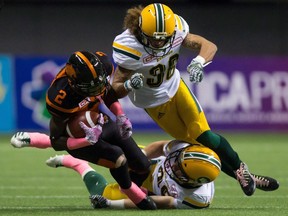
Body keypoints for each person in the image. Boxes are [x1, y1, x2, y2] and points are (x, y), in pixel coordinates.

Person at [111, 3, 279, 196]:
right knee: (198, 145)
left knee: (202, 134)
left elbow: (208, 46)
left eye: (164, 38)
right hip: (154, 103)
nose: (159, 44)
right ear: (140, 30)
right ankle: (243, 173)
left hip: (177, 87)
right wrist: (129, 85)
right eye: (154, 40)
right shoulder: (129, 46)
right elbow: (114, 90)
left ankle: (240, 170)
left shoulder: (176, 29)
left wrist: (199, 62)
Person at [10, 51, 156, 210]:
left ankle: (124, 188)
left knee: (142, 165)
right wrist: (86, 140)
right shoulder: (59, 97)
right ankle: (132, 193)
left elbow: (107, 92)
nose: (96, 90)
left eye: (98, 84)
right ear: (74, 83)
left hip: (98, 120)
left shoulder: (103, 65)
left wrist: (120, 115)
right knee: (118, 159)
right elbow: (57, 141)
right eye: (90, 88)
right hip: (76, 135)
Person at [46, 140, 221, 209]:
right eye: (176, 159)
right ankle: (56, 142)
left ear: (191, 180)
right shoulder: (185, 149)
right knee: (110, 149)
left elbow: (164, 202)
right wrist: (138, 161)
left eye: (177, 168)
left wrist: (110, 204)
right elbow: (160, 147)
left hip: (146, 189)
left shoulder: (198, 198)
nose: (172, 163)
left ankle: (76, 163)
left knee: (102, 194)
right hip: (150, 163)